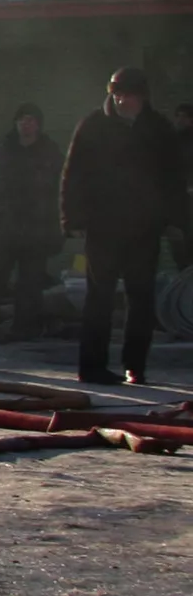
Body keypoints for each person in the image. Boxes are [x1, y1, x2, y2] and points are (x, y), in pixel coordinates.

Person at [61, 66, 188, 386]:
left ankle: (135, 365)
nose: (121, 100)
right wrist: (72, 219)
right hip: (103, 224)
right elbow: (74, 173)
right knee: (99, 296)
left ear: (141, 97)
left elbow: (173, 178)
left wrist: (177, 220)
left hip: (145, 226)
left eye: (127, 95)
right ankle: (92, 366)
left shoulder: (158, 129)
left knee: (141, 296)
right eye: (116, 94)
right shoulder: (93, 125)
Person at [0, 104, 64, 340]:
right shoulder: (2, 152)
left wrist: (57, 228)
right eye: (21, 119)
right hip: (5, 227)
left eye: (30, 120)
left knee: (30, 282)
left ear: (38, 125)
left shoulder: (50, 153)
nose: (25, 124)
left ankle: (25, 328)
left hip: (37, 228)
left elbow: (60, 192)